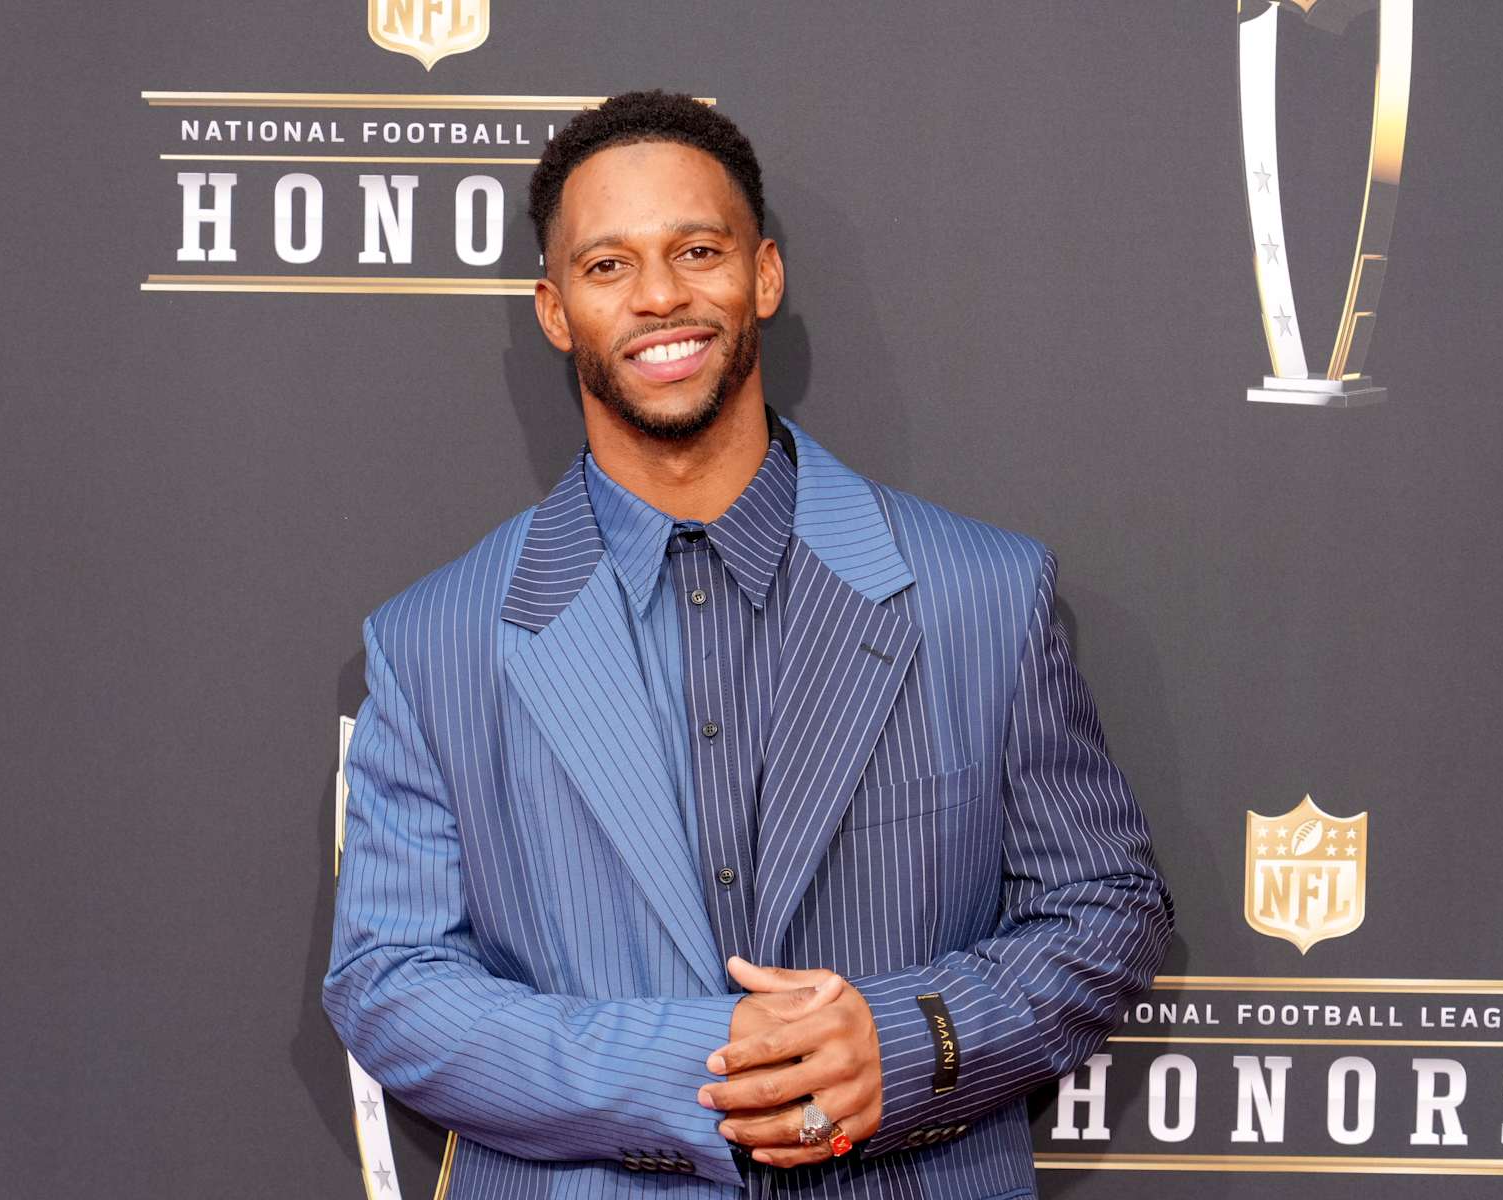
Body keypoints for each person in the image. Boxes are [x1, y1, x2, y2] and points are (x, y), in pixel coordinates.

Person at [323, 90, 1173, 1198]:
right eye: (608, 266)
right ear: (553, 308)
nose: (661, 295)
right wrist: (698, 1068)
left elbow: (1105, 908)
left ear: (763, 275)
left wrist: (917, 1043)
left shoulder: (983, 595)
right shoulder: (436, 641)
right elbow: (391, 983)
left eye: (696, 249)